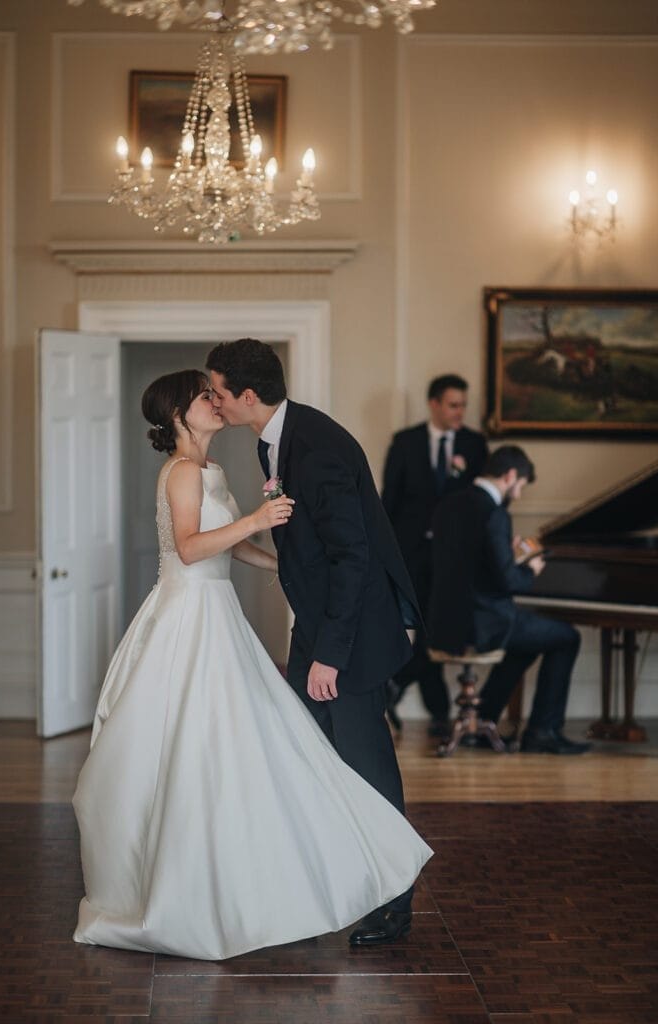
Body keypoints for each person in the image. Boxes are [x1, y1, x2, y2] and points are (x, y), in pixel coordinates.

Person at [73, 369, 432, 961]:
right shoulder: (183, 472)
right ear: (178, 416)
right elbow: (189, 548)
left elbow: (233, 547)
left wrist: (283, 567)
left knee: (253, 747)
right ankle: (191, 883)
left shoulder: (213, 470)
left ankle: (270, 880)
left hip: (220, 613)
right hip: (188, 616)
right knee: (197, 745)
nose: (214, 404)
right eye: (202, 397)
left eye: (215, 394)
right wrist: (258, 520)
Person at [206, 339, 424, 947]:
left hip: (347, 638)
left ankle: (394, 903)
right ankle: (332, 882)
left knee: (367, 769)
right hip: (321, 627)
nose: (215, 401)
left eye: (219, 391)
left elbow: (352, 558)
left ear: (248, 395)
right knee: (314, 760)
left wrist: (329, 653)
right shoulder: (277, 437)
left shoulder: (319, 445)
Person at [428, 444, 590, 755]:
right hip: (482, 623)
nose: (517, 495)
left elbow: (473, 566)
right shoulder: (495, 513)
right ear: (511, 475)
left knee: (528, 642)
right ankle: (543, 730)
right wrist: (531, 568)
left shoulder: (449, 504)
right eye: (520, 487)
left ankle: (485, 718)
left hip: (444, 622)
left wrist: (506, 555)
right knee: (567, 637)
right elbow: (507, 582)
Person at [381, 374, 488, 736]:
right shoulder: (406, 442)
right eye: (453, 404)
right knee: (425, 630)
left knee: (438, 632)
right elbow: (389, 502)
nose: (460, 412)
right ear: (434, 404)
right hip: (412, 555)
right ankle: (439, 713)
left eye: (463, 405)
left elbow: (480, 505)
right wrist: (385, 556)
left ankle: (400, 687)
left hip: (455, 559)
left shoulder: (474, 446)